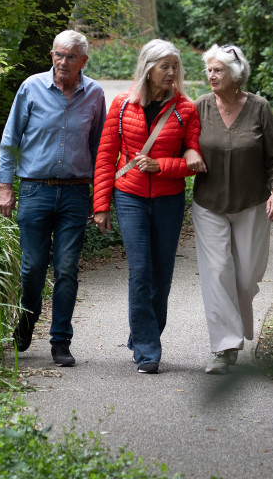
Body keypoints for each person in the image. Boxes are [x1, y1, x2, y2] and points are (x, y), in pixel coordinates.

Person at [0, 30, 108, 367]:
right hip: (35, 189)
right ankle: (27, 323)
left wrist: (98, 196)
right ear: (51, 55)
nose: (62, 62)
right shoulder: (31, 87)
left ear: (83, 61)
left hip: (75, 192)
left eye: (70, 57)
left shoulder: (95, 94)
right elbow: (10, 139)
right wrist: (5, 185)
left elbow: (100, 148)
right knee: (31, 269)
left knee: (67, 269)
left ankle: (61, 341)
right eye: (58, 55)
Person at [91, 39, 202, 374]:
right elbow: (106, 156)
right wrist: (101, 205)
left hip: (169, 199)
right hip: (130, 196)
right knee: (141, 272)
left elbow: (196, 161)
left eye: (175, 67)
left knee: (162, 276)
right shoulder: (123, 104)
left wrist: (163, 166)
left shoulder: (185, 109)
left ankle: (142, 333)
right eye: (164, 66)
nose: (171, 73)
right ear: (148, 68)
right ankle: (147, 349)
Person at [184, 44, 273, 374]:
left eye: (218, 70)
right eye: (209, 70)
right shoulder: (200, 106)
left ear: (237, 74)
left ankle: (234, 329)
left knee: (244, 279)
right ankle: (225, 348)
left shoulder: (259, 109)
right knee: (217, 274)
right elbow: (183, 141)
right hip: (209, 204)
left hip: (251, 204)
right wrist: (188, 155)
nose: (211, 76)